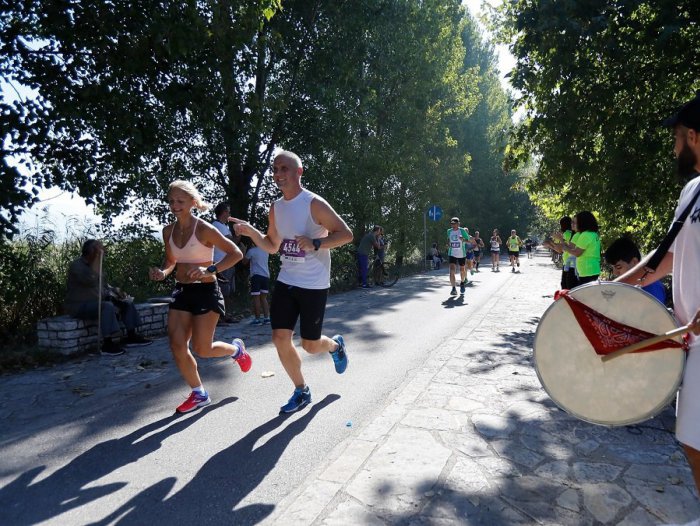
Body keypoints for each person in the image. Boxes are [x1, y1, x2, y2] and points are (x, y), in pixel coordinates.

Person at [615, 92, 700, 495]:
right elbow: (663, 257)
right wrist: (611, 289)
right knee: (692, 440)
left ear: (695, 137)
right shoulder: (693, 193)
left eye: (678, 137)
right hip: (693, 338)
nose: (674, 147)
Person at [231, 150, 353, 414]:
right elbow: (272, 246)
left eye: (284, 168)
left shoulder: (314, 204)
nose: (278, 174)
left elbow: (346, 234)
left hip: (314, 283)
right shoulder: (276, 208)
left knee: (310, 345)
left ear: (299, 172)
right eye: (275, 169)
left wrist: (316, 242)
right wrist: (252, 231)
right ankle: (301, 390)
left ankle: (335, 345)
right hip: (287, 281)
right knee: (279, 337)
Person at [148, 180, 251, 414]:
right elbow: (171, 261)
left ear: (193, 203)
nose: (175, 205)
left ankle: (236, 351)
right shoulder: (168, 231)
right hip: (182, 290)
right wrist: (162, 272)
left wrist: (211, 269)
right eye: (171, 201)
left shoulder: (204, 229)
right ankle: (199, 393)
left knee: (202, 349)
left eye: (180, 201)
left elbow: (235, 253)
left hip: (206, 291)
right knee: (176, 344)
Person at [65, 239, 152, 356]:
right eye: (98, 250)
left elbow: (103, 285)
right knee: (107, 306)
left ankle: (131, 336)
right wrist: (97, 260)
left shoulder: (96, 266)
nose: (101, 253)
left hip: (97, 302)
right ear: (90, 252)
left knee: (126, 303)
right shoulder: (77, 266)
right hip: (81, 305)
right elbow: (90, 280)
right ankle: (107, 343)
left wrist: (116, 292)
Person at [604, 236, 666, 304]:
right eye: (612, 268)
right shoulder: (630, 285)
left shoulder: (651, 289)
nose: (614, 272)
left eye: (618, 267)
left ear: (634, 262)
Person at [554, 211, 600, 285]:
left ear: (582, 223)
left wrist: (565, 247)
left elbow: (577, 253)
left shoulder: (585, 235)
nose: (573, 225)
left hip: (587, 270)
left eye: (575, 223)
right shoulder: (593, 233)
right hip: (591, 269)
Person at [211, 202, 236, 323]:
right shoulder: (218, 225)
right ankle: (221, 317)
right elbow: (232, 242)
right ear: (223, 212)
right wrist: (239, 232)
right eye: (228, 211)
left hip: (226, 261)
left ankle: (225, 315)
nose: (229, 214)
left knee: (227, 290)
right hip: (221, 262)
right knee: (222, 290)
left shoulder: (222, 226)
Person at [543, 216, 576, 289]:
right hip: (570, 263)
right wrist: (550, 245)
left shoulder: (566, 234)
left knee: (565, 287)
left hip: (569, 263)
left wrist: (551, 244)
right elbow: (561, 249)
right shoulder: (571, 233)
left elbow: (559, 250)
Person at [243, 240, 271, 325]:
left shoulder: (252, 251)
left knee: (256, 298)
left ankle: (257, 319)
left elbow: (244, 262)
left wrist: (244, 251)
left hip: (256, 276)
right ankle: (267, 318)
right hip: (265, 276)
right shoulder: (266, 250)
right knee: (264, 298)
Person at [446, 217, 471, 295]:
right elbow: (448, 239)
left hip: (461, 254)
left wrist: (463, 239)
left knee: (462, 270)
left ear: (458, 224)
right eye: (452, 223)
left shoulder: (462, 231)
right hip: (452, 253)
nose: (453, 225)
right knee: (451, 270)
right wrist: (448, 244)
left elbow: (468, 240)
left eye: (454, 224)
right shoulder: (449, 231)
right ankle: (453, 288)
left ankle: (462, 283)